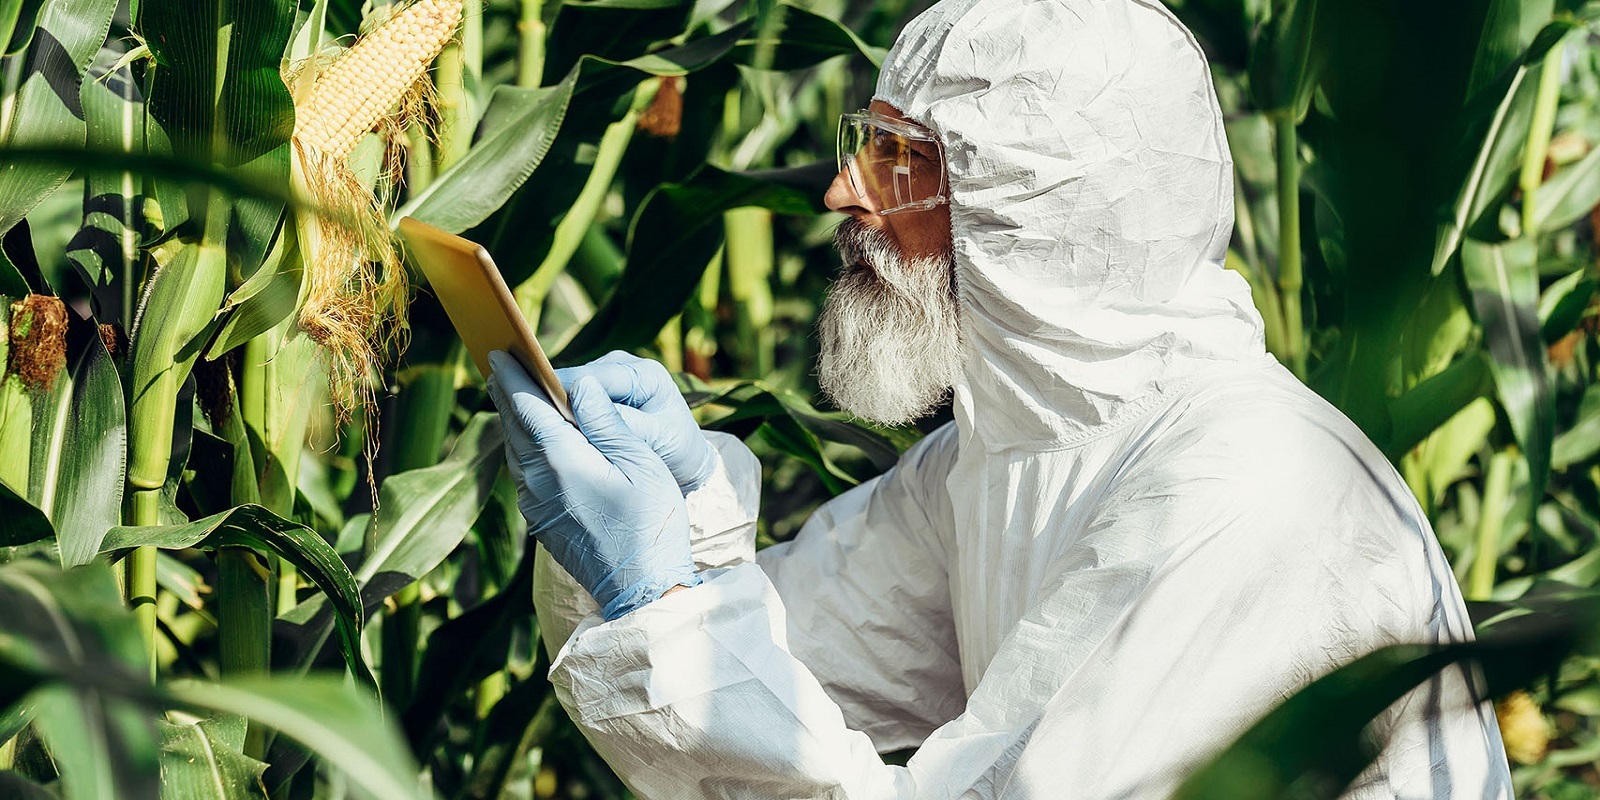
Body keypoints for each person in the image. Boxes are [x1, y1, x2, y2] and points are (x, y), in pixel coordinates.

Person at [485, 0, 1515, 796]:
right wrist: (687, 520)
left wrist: (655, 603)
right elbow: (787, 662)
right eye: (866, 143)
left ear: (1039, 216)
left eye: (901, 159)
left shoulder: (1247, 499)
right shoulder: (1011, 453)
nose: (844, 191)